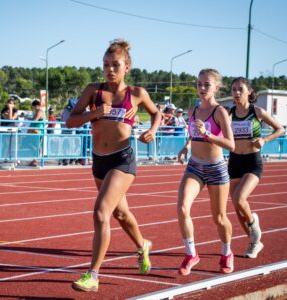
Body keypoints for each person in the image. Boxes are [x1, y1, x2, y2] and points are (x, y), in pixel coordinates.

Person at [66, 39, 161, 292]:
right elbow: (71, 121)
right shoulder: (93, 91)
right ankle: (143, 246)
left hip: (123, 159)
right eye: (105, 64)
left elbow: (156, 112)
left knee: (101, 212)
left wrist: (152, 130)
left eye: (115, 65)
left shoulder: (137, 93)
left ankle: (92, 275)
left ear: (127, 67)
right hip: (99, 161)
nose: (109, 69)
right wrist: (94, 113)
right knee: (121, 214)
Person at [176, 68, 235, 275]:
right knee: (183, 208)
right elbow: (194, 134)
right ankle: (191, 253)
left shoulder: (220, 112)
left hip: (216, 168)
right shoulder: (193, 110)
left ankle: (227, 253)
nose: (202, 88)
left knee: (219, 217)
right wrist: (187, 146)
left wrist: (208, 134)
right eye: (199, 84)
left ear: (216, 88)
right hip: (194, 166)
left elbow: (231, 144)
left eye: (206, 84)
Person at [228, 77, 284, 259]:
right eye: (234, 89)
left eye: (240, 89)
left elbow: (280, 129)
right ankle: (254, 242)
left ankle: (253, 223)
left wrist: (264, 140)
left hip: (252, 161)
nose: (236, 93)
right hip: (234, 161)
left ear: (249, 92)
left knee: (239, 198)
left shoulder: (257, 112)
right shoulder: (229, 113)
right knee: (237, 208)